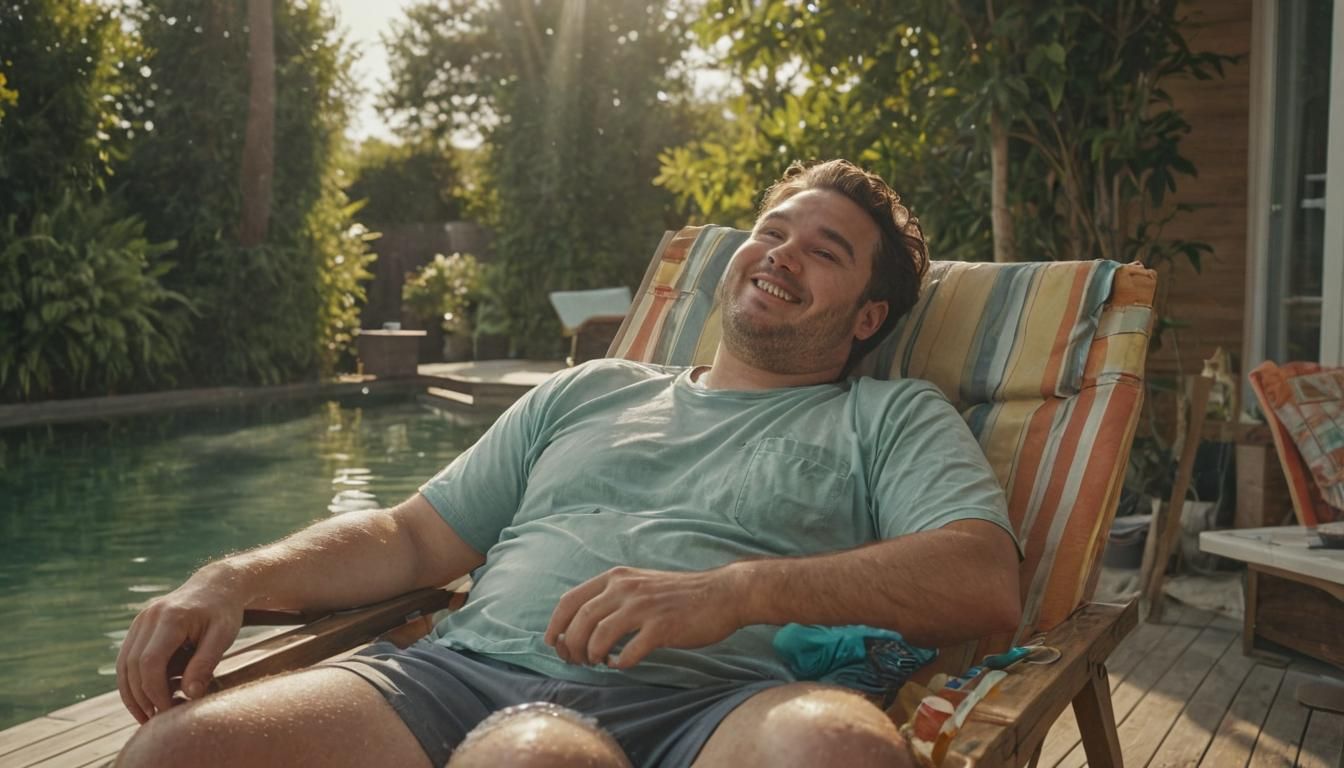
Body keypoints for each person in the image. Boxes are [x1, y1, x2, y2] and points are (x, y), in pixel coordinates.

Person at [115, 159, 1021, 768]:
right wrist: (234, 578)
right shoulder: (592, 388)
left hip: (717, 705)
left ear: (867, 318)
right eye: (773, 231)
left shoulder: (888, 414)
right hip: (454, 676)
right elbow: (409, 537)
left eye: (824, 252)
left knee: (838, 751)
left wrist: (736, 594)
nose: (782, 255)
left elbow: (983, 578)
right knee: (171, 754)